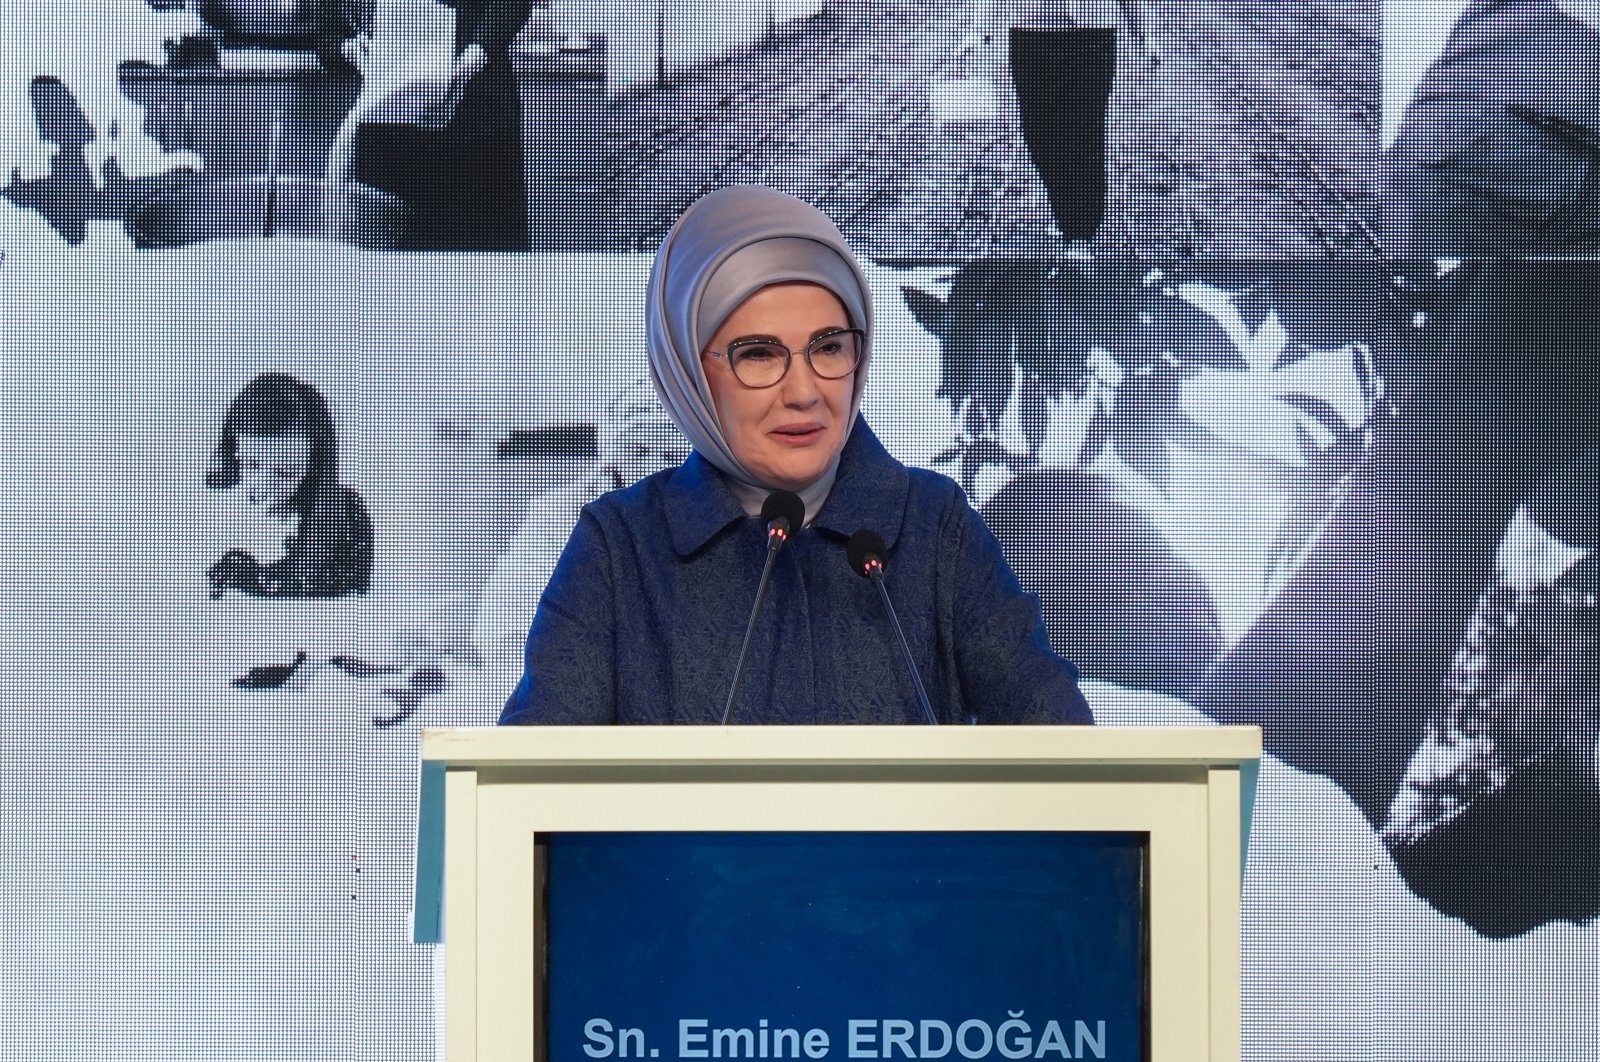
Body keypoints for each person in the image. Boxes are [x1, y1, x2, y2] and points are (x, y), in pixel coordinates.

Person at [500, 185, 1092, 726]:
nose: (805, 391)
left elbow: (1071, 765)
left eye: (829, 348)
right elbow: (522, 797)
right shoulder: (622, 547)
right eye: (758, 354)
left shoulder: (933, 525)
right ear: (686, 371)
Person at [206, 372, 373, 601]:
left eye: (285, 473)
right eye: (251, 464)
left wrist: (247, 575)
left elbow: (305, 584)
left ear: (315, 464)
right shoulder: (209, 502)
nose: (262, 487)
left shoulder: (338, 509)